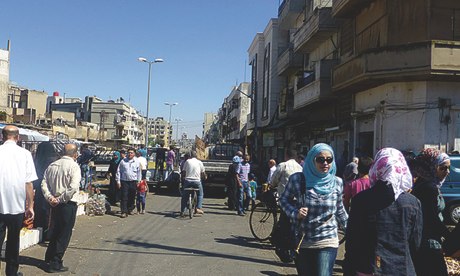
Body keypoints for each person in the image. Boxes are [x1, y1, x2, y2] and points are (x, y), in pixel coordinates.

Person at [343, 148, 422, 276]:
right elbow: (415, 243)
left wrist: (348, 269)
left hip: (369, 267)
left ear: (377, 168)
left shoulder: (361, 200)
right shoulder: (413, 203)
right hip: (403, 268)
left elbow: (353, 242)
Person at [280, 143, 348, 276]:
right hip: (303, 240)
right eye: (320, 159)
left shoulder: (337, 182)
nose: (325, 163)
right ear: (312, 160)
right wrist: (295, 213)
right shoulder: (298, 180)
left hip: (328, 239)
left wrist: (352, 233)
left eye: (329, 159)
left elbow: (339, 210)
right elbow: (283, 200)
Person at [0, 125, 37, 276]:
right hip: (16, 205)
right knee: (13, 242)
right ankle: (11, 273)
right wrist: (31, 206)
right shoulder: (25, 154)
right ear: (18, 137)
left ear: (2, 137)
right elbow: (28, 183)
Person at [41, 143, 81, 273]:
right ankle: (55, 262)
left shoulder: (52, 165)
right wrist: (60, 199)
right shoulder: (74, 166)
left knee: (56, 230)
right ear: (75, 154)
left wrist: (50, 197)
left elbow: (44, 183)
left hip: (55, 202)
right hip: (67, 203)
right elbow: (73, 187)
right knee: (64, 234)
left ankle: (49, 257)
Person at [411, 148, 451, 276]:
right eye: (443, 168)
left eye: (448, 168)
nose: (447, 172)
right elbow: (432, 218)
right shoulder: (429, 188)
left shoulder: (423, 184)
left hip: (423, 242)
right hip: (429, 243)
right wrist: (450, 237)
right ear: (431, 167)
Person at [116, 148, 142, 218]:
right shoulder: (123, 161)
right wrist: (118, 181)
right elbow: (118, 171)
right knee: (124, 196)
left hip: (133, 181)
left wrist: (139, 181)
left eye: (131, 153)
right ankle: (124, 211)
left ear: (134, 154)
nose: (130, 154)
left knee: (132, 196)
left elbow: (139, 172)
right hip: (124, 181)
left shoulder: (137, 162)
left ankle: (130, 209)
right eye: (129, 153)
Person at [180, 150, 206, 216]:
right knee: (200, 194)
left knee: (184, 196)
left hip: (187, 181)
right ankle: (198, 208)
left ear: (190, 156)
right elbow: (203, 173)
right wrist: (205, 177)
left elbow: (183, 172)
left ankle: (183, 210)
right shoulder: (199, 162)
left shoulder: (187, 161)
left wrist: (182, 178)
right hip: (197, 182)